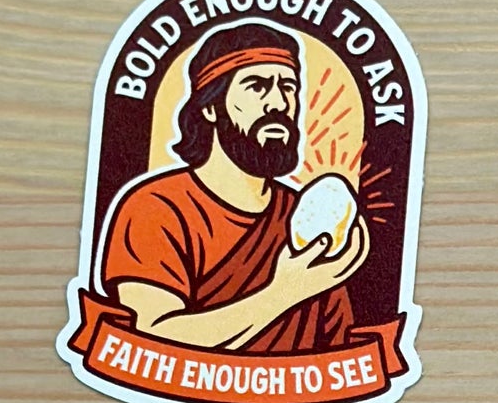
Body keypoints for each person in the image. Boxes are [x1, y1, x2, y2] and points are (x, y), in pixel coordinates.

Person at [96, 21, 367, 352]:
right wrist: (285, 292)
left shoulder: (304, 220)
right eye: (257, 86)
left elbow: (335, 351)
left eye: (288, 87)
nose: (278, 103)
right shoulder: (155, 207)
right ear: (210, 106)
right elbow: (150, 342)